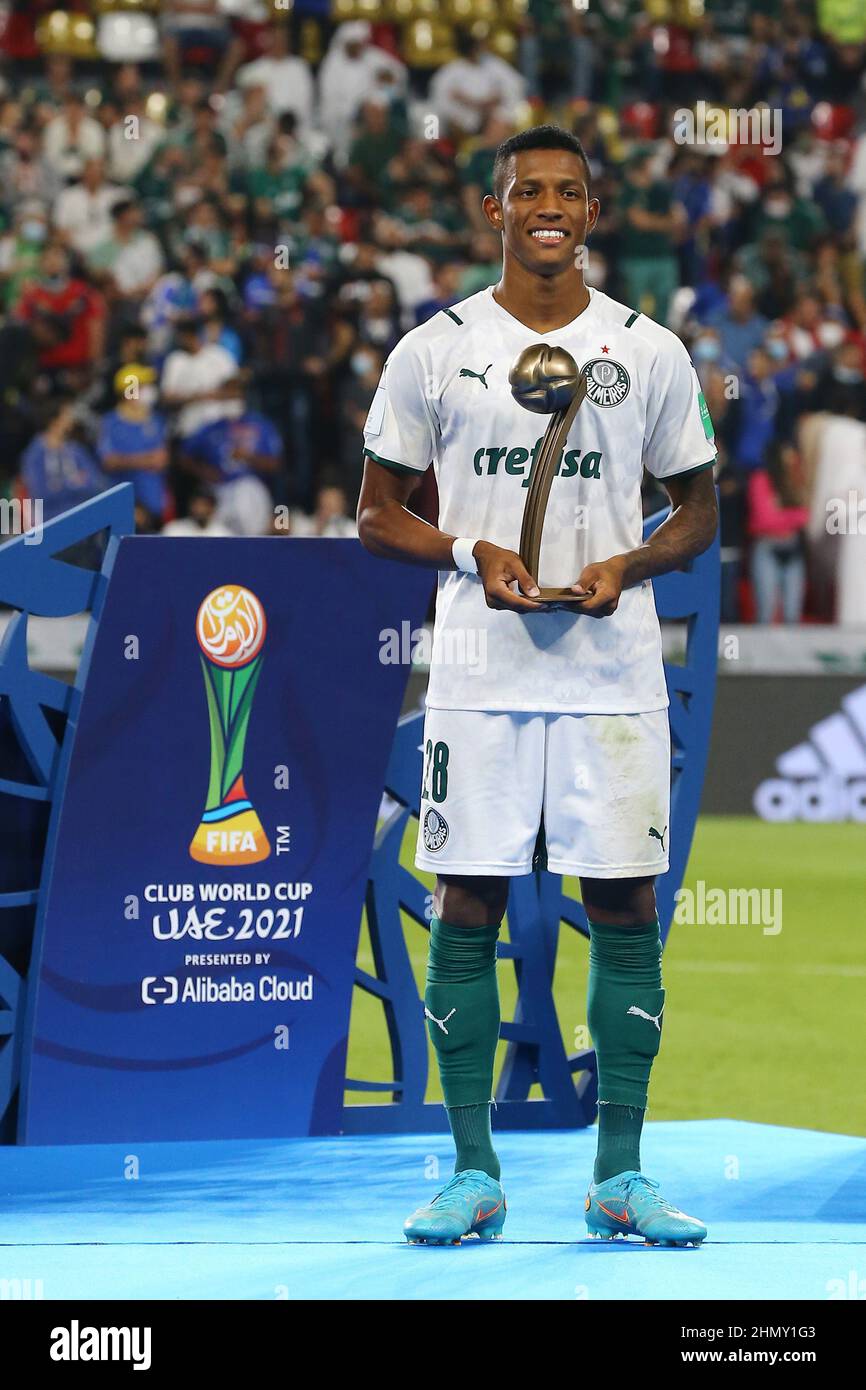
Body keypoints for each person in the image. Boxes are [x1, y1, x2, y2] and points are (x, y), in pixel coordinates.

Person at [357, 125, 717, 1248]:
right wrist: (470, 552)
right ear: (493, 209)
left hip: (612, 677)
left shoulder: (648, 351)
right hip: (476, 674)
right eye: (527, 192)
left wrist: (632, 562)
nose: (546, 207)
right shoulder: (434, 347)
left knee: (623, 906)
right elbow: (376, 513)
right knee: (464, 899)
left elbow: (698, 513)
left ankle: (619, 1174)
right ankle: (472, 1172)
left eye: (567, 191)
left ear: (592, 212)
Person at [96, 363, 169, 525]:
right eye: (143, 386)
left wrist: (129, 460)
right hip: (121, 504)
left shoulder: (155, 420)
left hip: (153, 501)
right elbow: (109, 461)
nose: (148, 390)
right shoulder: (110, 423)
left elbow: (161, 460)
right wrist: (145, 460)